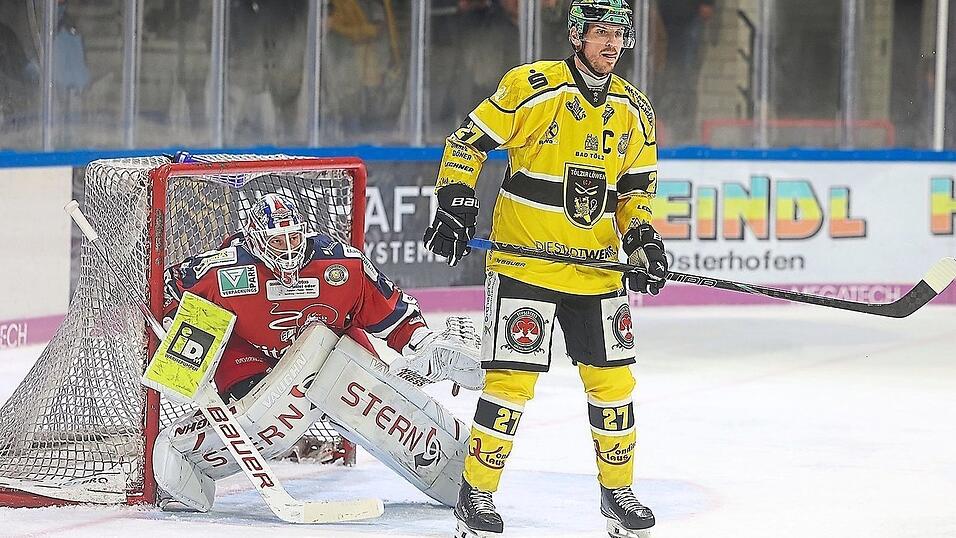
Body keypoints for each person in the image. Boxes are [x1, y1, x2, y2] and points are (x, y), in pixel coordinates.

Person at [423, 1, 668, 536]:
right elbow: (468, 142)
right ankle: (477, 497)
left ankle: (618, 492)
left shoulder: (636, 110)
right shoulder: (533, 87)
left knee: (614, 382)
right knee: (509, 384)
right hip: (525, 265)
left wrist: (643, 237)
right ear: (577, 36)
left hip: (599, 270)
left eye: (619, 34)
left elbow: (635, 192)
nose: (611, 43)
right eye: (601, 32)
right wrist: (455, 199)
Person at [155, 190, 483, 511]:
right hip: (249, 349)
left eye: (293, 239)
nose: (287, 251)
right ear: (255, 240)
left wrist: (421, 342)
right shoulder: (222, 271)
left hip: (330, 347)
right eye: (277, 242)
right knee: (258, 417)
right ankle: (189, 456)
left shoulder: (343, 265)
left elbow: (390, 312)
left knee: (361, 398)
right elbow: (173, 291)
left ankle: (443, 452)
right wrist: (178, 348)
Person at [655, 0, 715, 145]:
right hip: (662, 16)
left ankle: (683, 130)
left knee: (685, 77)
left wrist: (708, 3)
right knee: (667, 76)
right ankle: (664, 126)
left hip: (689, 16)